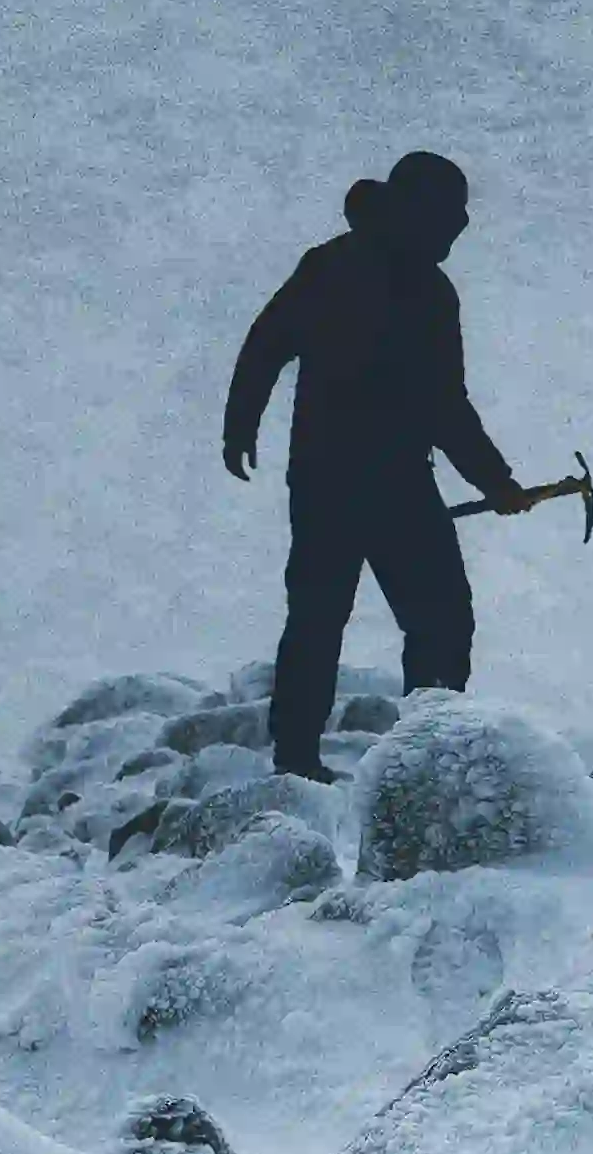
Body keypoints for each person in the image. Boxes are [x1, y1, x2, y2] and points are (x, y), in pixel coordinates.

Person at [222, 149, 528, 779]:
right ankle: (416, 757)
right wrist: (495, 481)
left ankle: (306, 755)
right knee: (429, 617)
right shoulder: (364, 275)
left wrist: (241, 423)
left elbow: (268, 344)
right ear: (419, 211)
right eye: (450, 218)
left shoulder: (365, 273)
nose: (456, 232)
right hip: (372, 483)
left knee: (329, 615)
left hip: (343, 478)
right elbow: (446, 405)